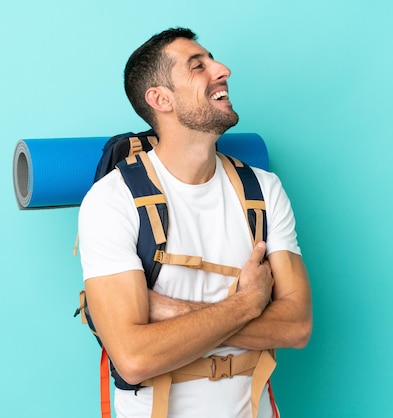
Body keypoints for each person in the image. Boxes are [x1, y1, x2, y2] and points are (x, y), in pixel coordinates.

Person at [78, 27, 312, 418]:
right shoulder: (112, 200)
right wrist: (248, 304)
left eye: (213, 61)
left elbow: (297, 327)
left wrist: (170, 311)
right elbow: (134, 357)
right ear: (161, 99)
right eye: (197, 66)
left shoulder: (264, 189)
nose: (223, 70)